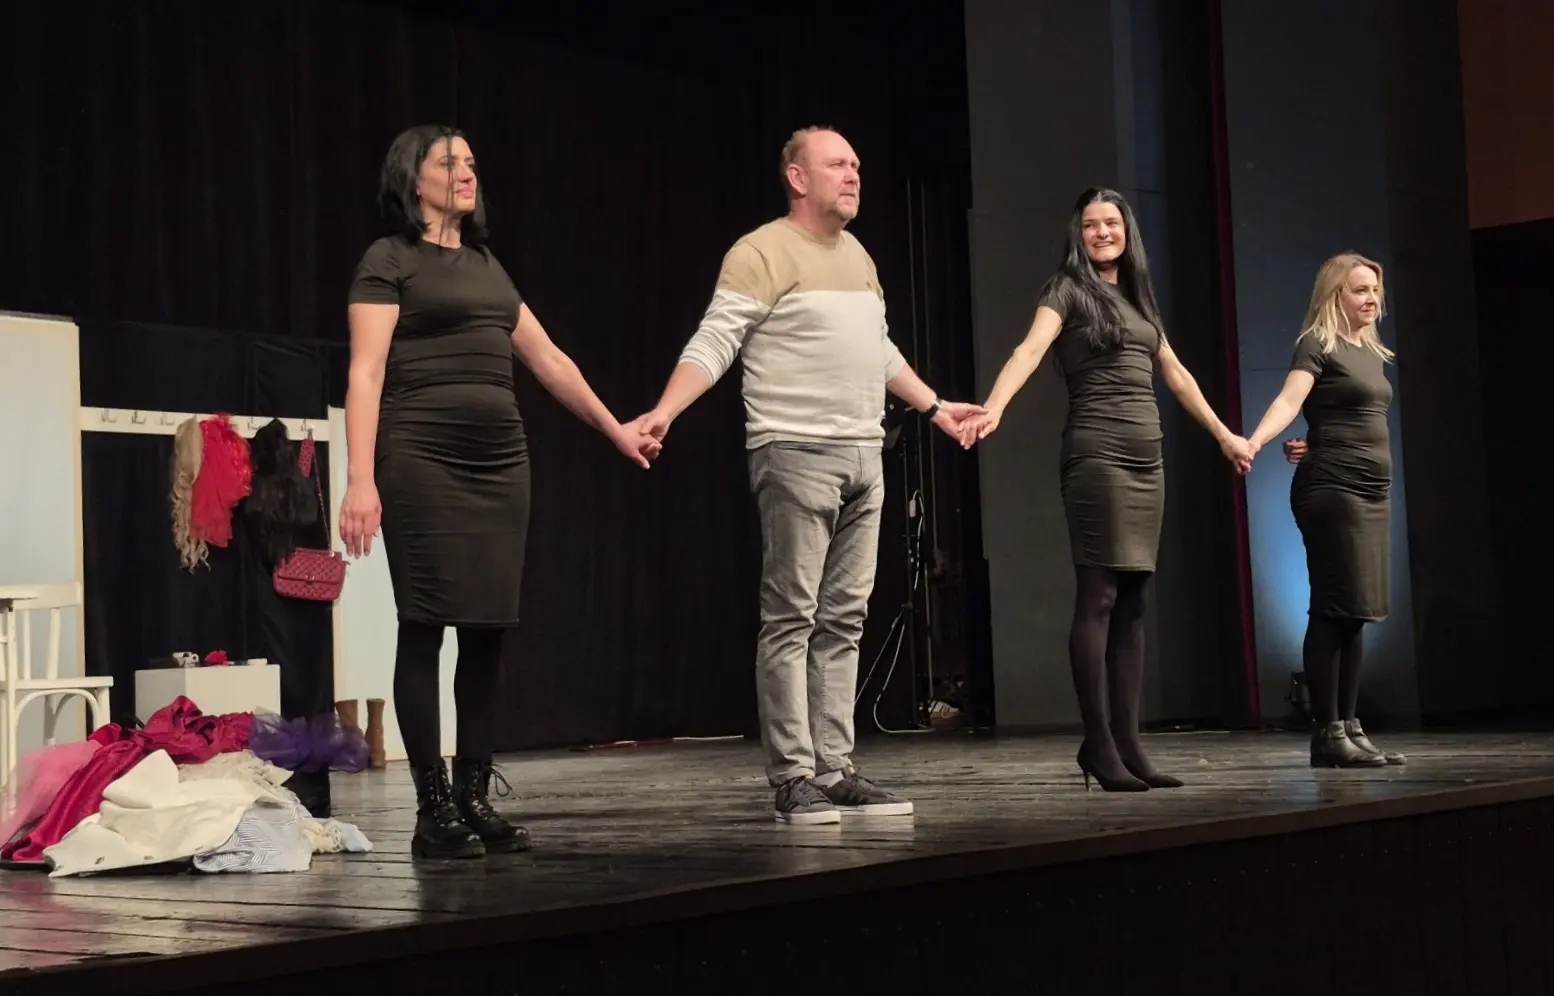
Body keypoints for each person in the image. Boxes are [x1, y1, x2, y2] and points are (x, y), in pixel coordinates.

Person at [629, 126, 984, 825]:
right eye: (838, 164)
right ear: (797, 177)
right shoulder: (761, 251)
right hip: (794, 452)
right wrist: (666, 409)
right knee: (791, 616)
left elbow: (879, 350)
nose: (854, 175)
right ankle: (793, 775)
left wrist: (936, 407)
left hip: (864, 454)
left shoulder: (858, 255)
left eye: (857, 165)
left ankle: (834, 767)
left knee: (845, 617)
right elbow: (717, 339)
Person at [339, 124, 661, 859]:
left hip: (500, 464)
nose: (466, 172)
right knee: (426, 623)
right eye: (449, 162)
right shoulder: (388, 260)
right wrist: (360, 478)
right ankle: (432, 810)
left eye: (471, 163)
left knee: (487, 628)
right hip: (421, 457)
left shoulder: (488, 267)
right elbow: (365, 372)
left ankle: (473, 795)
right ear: (412, 178)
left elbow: (550, 360)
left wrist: (615, 430)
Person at [960, 188, 1251, 792]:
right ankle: (1097, 741)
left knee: (1135, 601)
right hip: (1097, 455)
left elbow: (1174, 372)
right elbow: (1029, 349)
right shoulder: (1067, 289)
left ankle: (1128, 741)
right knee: (1100, 595)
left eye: (1111, 223)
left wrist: (1224, 434)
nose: (1101, 233)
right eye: (1090, 225)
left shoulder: (1138, 296)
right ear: (1079, 233)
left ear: (1126, 230)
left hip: (1148, 460)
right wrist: (996, 405)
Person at [1245, 252, 1404, 768]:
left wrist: (1312, 441)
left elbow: (1345, 417)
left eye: (1375, 290)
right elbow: (1290, 400)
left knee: (1356, 610)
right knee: (1334, 607)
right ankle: (1327, 731)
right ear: (1336, 295)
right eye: (1360, 290)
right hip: (1333, 488)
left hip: (1371, 490)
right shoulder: (1318, 343)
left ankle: (1350, 726)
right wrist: (1256, 441)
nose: (1371, 299)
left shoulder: (1371, 351)